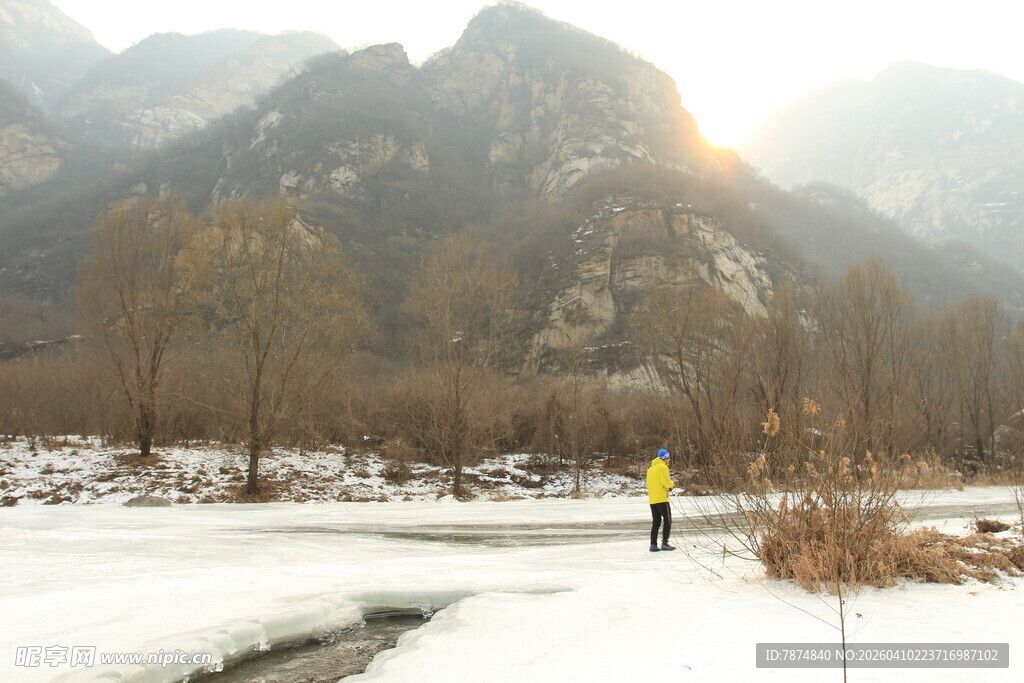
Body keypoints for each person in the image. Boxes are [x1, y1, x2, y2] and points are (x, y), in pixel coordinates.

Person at [646, 448, 675, 552]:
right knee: (667, 520)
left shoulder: (650, 469)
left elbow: (648, 484)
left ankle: (653, 544)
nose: (669, 461)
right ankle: (665, 543)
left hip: (653, 500)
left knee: (656, 522)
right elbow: (665, 482)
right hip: (662, 498)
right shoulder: (663, 468)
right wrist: (671, 485)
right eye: (668, 459)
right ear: (665, 458)